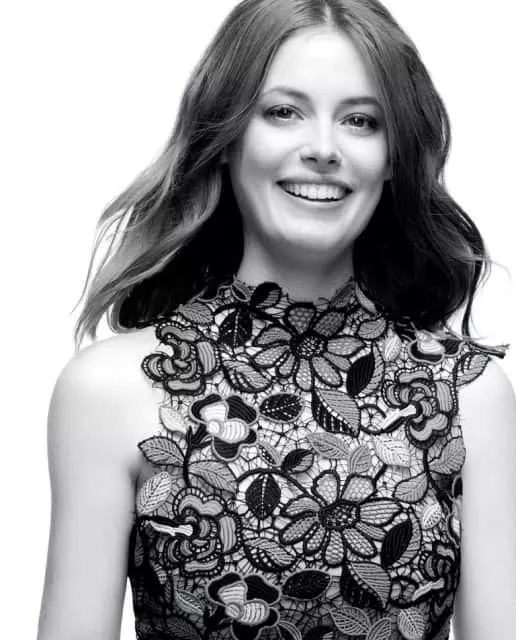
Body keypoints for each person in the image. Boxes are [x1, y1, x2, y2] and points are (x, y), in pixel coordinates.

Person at [37, 0, 516, 639]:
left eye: (360, 120)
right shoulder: (111, 392)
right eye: (284, 112)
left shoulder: (469, 396)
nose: (323, 149)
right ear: (225, 137)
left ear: (394, 158)